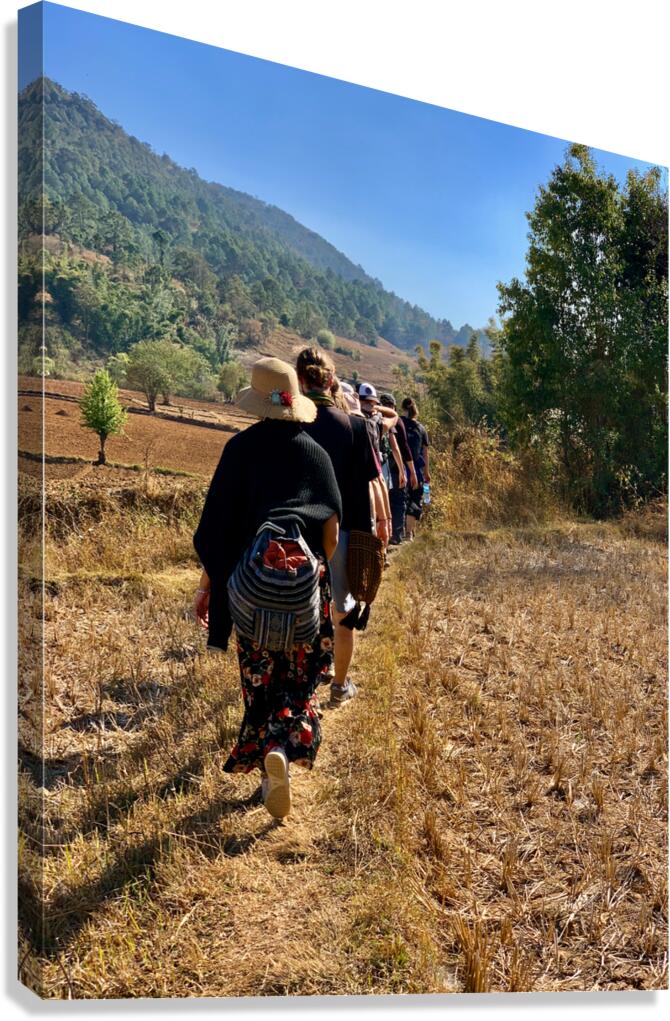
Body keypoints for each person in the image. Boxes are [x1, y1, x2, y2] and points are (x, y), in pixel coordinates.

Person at [192, 357, 342, 820]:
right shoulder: (316, 455)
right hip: (303, 589)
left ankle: (267, 766)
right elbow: (332, 534)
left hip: (250, 589)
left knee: (260, 680)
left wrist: (207, 586)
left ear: (258, 403)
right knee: (300, 678)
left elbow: (215, 532)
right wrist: (314, 572)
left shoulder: (239, 450)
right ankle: (284, 746)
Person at [296, 349, 381, 706]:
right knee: (343, 613)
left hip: (298, 534)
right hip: (344, 532)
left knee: (300, 610)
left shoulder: (291, 424)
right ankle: (340, 686)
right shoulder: (356, 427)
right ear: (331, 380)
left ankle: (300, 689)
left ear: (300, 380)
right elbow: (366, 486)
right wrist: (373, 532)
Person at [379, 393, 418, 545]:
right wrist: (410, 472)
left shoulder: (374, 420)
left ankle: (385, 536)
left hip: (378, 470)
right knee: (397, 501)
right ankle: (395, 535)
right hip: (394, 469)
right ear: (393, 407)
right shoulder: (396, 421)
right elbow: (402, 447)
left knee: (384, 503)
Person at [400, 397, 431, 540]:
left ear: (403, 408)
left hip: (399, 468)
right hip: (417, 471)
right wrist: (426, 472)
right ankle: (409, 533)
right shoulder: (421, 428)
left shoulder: (398, 423)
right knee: (415, 499)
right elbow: (425, 452)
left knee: (400, 499)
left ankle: (400, 532)